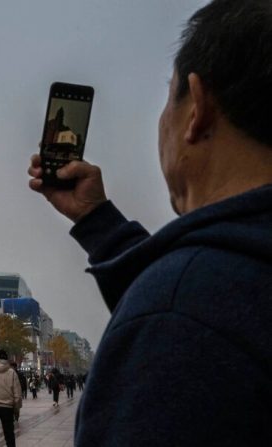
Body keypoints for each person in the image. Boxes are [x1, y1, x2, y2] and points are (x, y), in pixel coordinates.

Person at [30, 3, 272, 444]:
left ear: (196, 108)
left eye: (168, 95)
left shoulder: (174, 323)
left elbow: (193, 307)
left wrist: (163, 297)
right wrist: (99, 222)